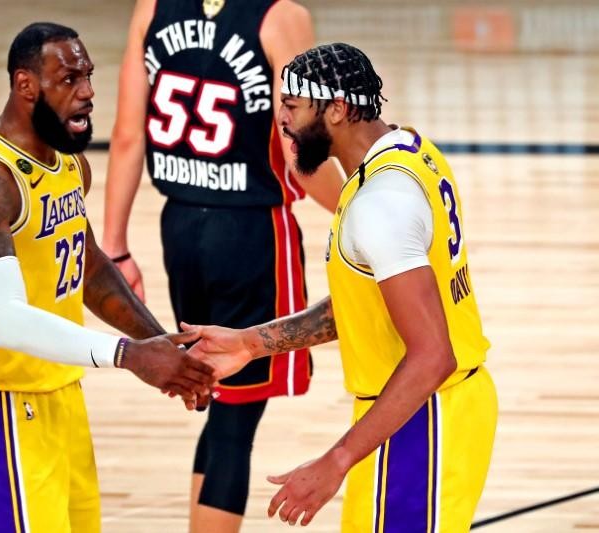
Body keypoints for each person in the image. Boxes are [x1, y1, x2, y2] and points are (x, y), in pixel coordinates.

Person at [186, 42, 498, 531]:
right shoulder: (406, 149)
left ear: (337, 109)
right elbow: (368, 303)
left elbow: (433, 355)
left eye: (292, 106)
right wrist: (252, 342)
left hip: (424, 416)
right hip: (420, 410)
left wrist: (335, 461)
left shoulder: (382, 203)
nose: (281, 120)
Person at [0, 22, 216, 533]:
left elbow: (87, 266)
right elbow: (8, 321)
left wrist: (163, 346)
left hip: (60, 398)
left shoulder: (66, 165)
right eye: (69, 79)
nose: (87, 92)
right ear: (26, 85)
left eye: (88, 75)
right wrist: (129, 355)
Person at [102, 1, 340, 531]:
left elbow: (125, 135)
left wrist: (115, 246)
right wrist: (354, 204)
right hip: (250, 231)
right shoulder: (281, 16)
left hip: (180, 228)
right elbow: (296, 143)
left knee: (219, 397)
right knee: (236, 419)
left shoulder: (153, 7)